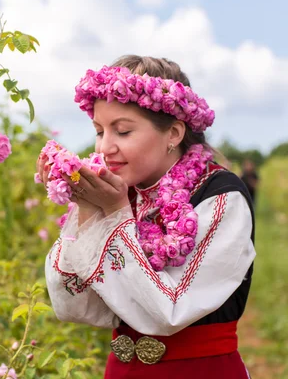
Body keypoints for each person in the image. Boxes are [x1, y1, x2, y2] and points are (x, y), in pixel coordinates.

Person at [39, 55, 255, 378]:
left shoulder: (221, 198)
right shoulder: (122, 192)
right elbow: (73, 305)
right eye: (99, 131)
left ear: (174, 133)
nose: (105, 147)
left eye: (123, 131)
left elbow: (167, 313)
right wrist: (86, 207)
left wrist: (114, 214)